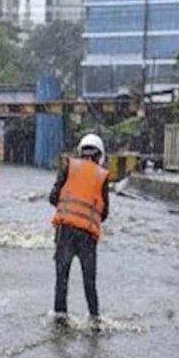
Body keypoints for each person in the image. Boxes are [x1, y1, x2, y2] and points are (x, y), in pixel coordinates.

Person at [50, 133, 110, 331]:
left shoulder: (69, 167)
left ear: (80, 151)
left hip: (65, 232)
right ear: (100, 156)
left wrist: (68, 208)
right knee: (89, 283)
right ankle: (94, 322)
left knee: (62, 280)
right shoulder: (102, 176)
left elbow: (53, 197)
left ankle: (60, 322)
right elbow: (104, 213)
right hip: (87, 237)